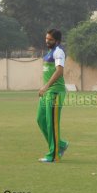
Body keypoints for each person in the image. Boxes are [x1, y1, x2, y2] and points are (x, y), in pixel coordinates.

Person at [36, 28, 69, 163]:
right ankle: (60, 144)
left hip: (55, 92)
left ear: (57, 40)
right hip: (48, 92)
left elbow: (59, 71)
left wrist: (46, 86)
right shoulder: (50, 52)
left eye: (50, 39)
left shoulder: (58, 52)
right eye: (46, 38)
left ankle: (54, 155)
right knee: (41, 120)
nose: (47, 41)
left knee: (52, 124)